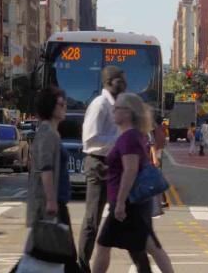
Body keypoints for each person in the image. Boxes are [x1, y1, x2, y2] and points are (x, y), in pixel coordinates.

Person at [92, 93, 174, 273]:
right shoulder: (134, 135)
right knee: (147, 247)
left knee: (104, 245)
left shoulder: (129, 137)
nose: (113, 111)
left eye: (117, 108)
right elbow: (127, 167)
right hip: (131, 203)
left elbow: (130, 170)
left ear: (128, 113)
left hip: (127, 203)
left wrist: (120, 203)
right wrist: (107, 172)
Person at [78, 66, 126, 273]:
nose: (124, 84)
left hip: (112, 165)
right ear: (108, 82)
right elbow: (90, 138)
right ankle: (81, 265)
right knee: (92, 219)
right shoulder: (100, 104)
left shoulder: (115, 105)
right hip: (98, 163)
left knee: (119, 214)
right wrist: (119, 141)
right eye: (119, 80)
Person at [25, 86, 78, 272]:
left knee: (49, 253)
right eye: (61, 104)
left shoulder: (52, 132)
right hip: (51, 205)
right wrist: (50, 200)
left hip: (57, 202)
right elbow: (45, 168)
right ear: (50, 107)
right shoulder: (47, 133)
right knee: (62, 255)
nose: (65, 107)